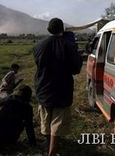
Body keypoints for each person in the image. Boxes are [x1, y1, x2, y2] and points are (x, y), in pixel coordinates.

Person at [33, 18, 83, 156]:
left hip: (43, 88)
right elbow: (76, 69)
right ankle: (52, 153)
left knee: (46, 122)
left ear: (49, 29)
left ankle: (48, 148)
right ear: (63, 29)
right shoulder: (68, 45)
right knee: (57, 124)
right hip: (62, 90)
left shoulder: (38, 46)